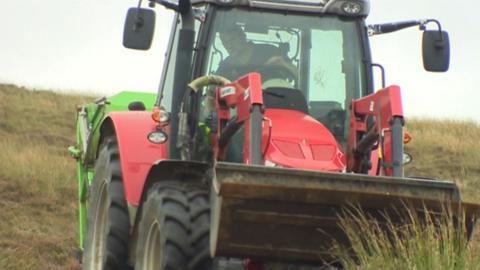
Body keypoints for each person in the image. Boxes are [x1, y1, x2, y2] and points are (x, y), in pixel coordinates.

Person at [215, 24, 297, 84]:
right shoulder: (225, 67)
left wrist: (283, 63)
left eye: (233, 40)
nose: (229, 46)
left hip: (274, 103)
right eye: (225, 42)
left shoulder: (270, 51)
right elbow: (211, 96)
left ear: (243, 36)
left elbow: (297, 74)